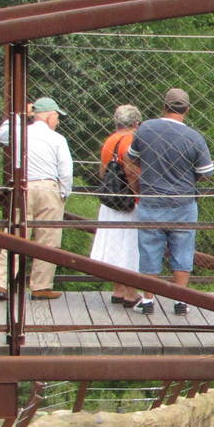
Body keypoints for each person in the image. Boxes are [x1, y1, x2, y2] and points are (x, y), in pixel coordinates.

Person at [128, 87, 214, 316]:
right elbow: (206, 172)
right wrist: (188, 177)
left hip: (151, 198)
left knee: (149, 249)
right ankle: (180, 300)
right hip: (183, 202)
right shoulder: (194, 137)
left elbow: (132, 158)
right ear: (187, 109)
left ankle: (148, 300)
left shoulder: (146, 129)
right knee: (183, 250)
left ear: (164, 106)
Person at [0, 96, 73, 300]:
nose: (57, 122)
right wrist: (64, 193)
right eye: (56, 117)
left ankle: (3, 283)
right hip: (48, 188)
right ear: (49, 117)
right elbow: (65, 171)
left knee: (15, 234)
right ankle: (40, 286)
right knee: (48, 238)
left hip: (23, 186)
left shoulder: (21, 132)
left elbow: (0, 135)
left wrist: (19, 116)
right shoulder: (58, 139)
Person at [89, 105, 143, 306]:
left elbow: (102, 172)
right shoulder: (131, 141)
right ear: (136, 123)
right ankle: (131, 293)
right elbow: (131, 171)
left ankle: (118, 289)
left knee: (114, 243)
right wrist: (138, 194)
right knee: (130, 245)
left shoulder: (109, 140)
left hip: (111, 200)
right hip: (128, 200)